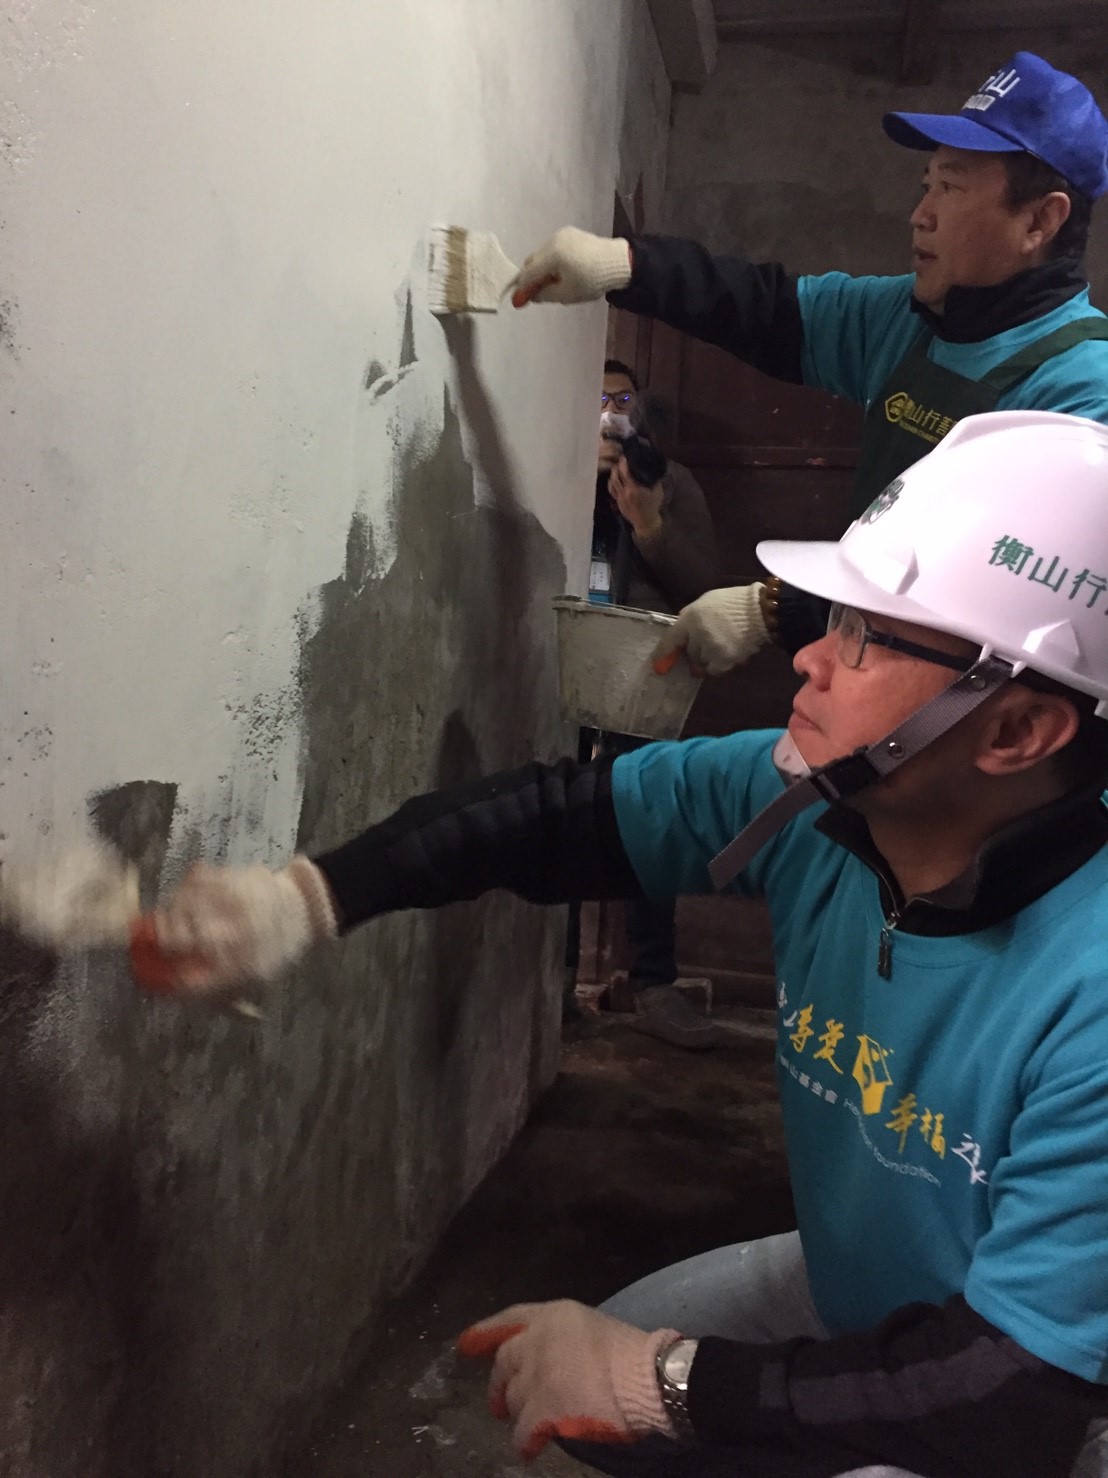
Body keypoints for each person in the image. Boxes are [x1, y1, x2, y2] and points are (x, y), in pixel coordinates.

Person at [145, 409, 1108, 1477]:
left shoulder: (1091, 987)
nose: (809, 660)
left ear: (1017, 730)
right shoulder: (810, 806)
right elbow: (556, 817)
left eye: (866, 638)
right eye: (833, 619)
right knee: (586, 1402)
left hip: (1038, 1403)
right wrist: (307, 899)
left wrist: (670, 1379)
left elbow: (1010, 1392)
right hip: (874, 1289)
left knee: (649, 1387)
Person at [510, 50, 1108, 675]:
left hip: (968, 697)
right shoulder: (908, 318)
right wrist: (624, 267)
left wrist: (777, 609)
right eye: (926, 185)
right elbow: (766, 309)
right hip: (864, 659)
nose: (920, 214)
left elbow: (992, 584)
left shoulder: (1081, 393)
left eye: (951, 187)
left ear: (1040, 220)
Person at [581, 359, 722, 1046]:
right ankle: (551, 979)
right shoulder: (555, 463)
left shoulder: (670, 480)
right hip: (561, 662)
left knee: (649, 814)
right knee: (548, 809)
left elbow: (705, 585)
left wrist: (648, 519)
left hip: (644, 673)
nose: (611, 410)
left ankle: (654, 981)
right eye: (598, 396)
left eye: (622, 397)